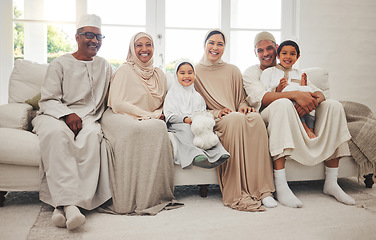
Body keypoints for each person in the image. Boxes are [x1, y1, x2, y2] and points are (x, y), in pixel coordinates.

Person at [243, 31, 356, 208]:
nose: (266, 53)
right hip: (267, 114)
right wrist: (295, 95)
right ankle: (281, 185)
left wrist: (310, 102)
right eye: (260, 50)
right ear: (255, 53)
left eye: (270, 48)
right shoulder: (253, 72)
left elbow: (319, 93)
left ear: (277, 49)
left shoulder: (296, 72)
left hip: (298, 112)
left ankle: (332, 182)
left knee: (334, 106)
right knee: (282, 104)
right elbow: (261, 97)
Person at [32, 14, 112, 230]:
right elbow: (48, 99)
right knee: (57, 136)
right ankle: (71, 206)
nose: (94, 41)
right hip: (54, 115)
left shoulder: (105, 65)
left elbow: (118, 92)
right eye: (89, 35)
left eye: (98, 36)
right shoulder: (59, 63)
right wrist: (67, 114)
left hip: (89, 118)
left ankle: (63, 207)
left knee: (92, 137)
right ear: (77, 37)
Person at [194, 29, 277, 211]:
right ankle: (239, 191)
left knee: (255, 118)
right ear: (204, 45)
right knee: (235, 120)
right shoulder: (195, 72)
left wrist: (243, 107)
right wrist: (217, 113)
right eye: (211, 43)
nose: (215, 47)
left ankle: (264, 190)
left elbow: (240, 99)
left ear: (224, 47)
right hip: (217, 118)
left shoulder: (232, 70)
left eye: (220, 44)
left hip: (235, 113)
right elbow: (196, 106)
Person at [100, 32, 182, 215]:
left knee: (158, 127)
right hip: (118, 115)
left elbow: (163, 104)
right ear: (132, 48)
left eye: (148, 45)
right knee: (134, 130)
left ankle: (151, 197)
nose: (144, 49)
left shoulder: (159, 74)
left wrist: (155, 115)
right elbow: (119, 103)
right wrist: (147, 115)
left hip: (148, 116)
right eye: (139, 45)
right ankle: (126, 199)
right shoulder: (124, 70)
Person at [163, 60, 230, 169]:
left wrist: (202, 121)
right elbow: (169, 116)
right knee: (187, 129)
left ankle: (219, 153)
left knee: (207, 132)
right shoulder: (172, 95)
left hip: (195, 123)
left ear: (194, 75)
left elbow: (202, 112)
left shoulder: (197, 96)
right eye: (182, 73)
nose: (186, 76)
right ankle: (195, 155)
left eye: (190, 72)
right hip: (179, 124)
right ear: (176, 75)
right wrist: (185, 119)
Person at [260, 40, 316, 139]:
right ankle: (304, 127)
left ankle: (310, 128)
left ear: (297, 57)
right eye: (284, 53)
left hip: (302, 106)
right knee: (289, 95)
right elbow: (264, 95)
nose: (288, 57)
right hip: (281, 107)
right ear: (278, 56)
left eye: (292, 54)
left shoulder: (300, 73)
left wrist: (304, 86)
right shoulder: (269, 72)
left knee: (308, 93)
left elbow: (313, 93)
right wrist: (278, 89)